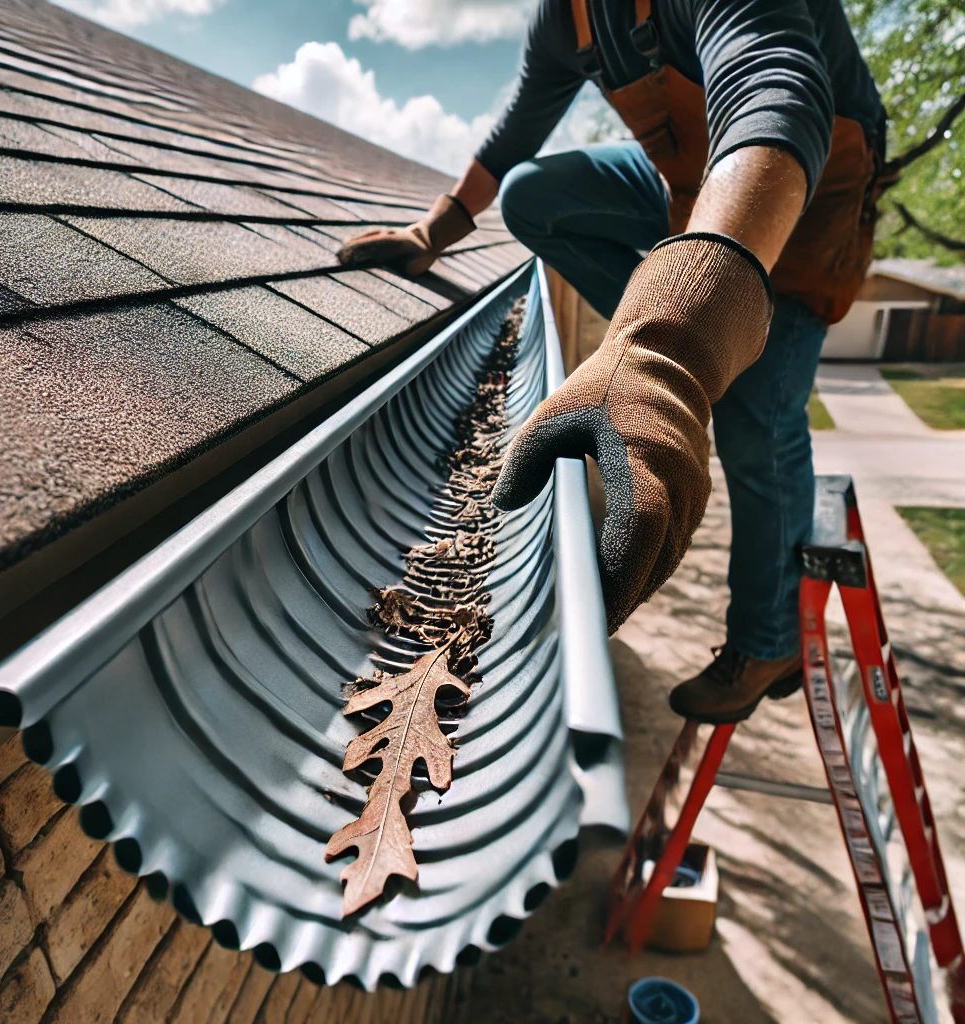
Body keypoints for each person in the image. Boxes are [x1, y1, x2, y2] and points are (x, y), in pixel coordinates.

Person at [337, 0, 886, 725]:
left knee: (758, 423)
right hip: (693, 185)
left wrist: (672, 349)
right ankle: (679, 322)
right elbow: (515, 136)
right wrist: (433, 231)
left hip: (805, 190)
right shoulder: (570, 19)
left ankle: (769, 642)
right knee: (538, 196)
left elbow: (776, 89)